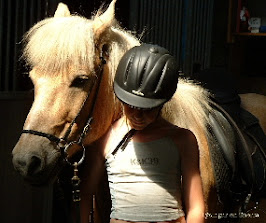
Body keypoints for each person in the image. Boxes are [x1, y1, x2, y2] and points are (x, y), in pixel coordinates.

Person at [96, 44, 205, 223]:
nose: (138, 115)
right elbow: (86, 195)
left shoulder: (183, 139)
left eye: (147, 109)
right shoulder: (107, 138)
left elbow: (196, 207)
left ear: (162, 103)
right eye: (130, 105)